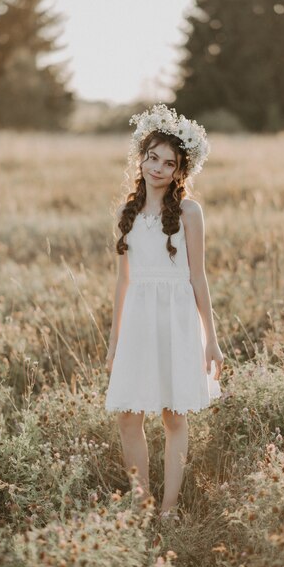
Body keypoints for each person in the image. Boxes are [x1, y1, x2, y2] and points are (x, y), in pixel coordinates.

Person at [104, 103, 224, 523]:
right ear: (142, 157)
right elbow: (123, 282)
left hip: (175, 319)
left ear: (179, 171)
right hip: (138, 320)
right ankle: (142, 503)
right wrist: (114, 340)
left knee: (173, 416)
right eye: (151, 157)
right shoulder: (126, 213)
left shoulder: (190, 213)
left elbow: (198, 278)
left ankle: (169, 508)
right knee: (128, 416)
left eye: (168, 163)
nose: (157, 168)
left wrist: (212, 339)